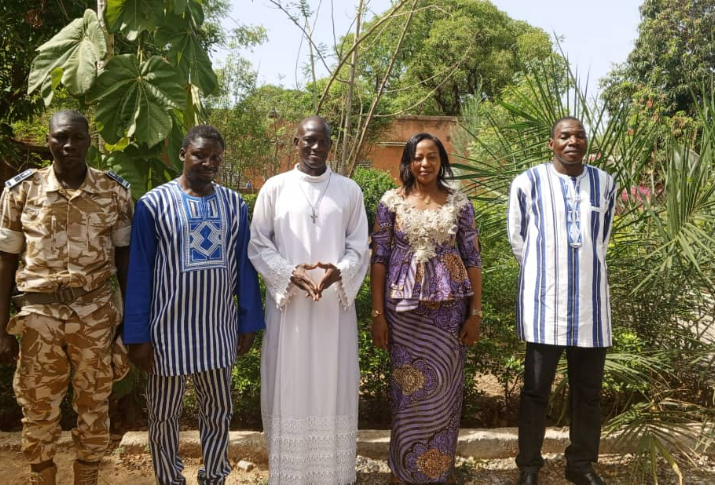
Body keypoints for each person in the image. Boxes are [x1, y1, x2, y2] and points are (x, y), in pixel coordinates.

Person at [0, 110, 133, 485]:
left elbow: (125, 258)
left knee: (94, 404)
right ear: (48, 140)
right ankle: (42, 477)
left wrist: (131, 323)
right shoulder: (22, 191)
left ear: (89, 140)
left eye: (77, 137)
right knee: (37, 406)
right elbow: (5, 261)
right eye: (60, 137)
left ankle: (87, 478)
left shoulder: (114, 192)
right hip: (39, 318)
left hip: (95, 315)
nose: (68, 145)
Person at [123, 125, 265, 485]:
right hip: (166, 332)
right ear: (183, 153)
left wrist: (248, 321)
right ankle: (169, 479)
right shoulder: (153, 204)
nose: (208, 162)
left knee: (218, 412)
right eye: (200, 154)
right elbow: (139, 271)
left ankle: (214, 476)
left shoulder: (234, 204)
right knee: (163, 415)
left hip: (217, 329)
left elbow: (244, 265)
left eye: (216, 157)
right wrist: (137, 335)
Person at [248, 116, 369, 485]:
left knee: (333, 383)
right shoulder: (275, 188)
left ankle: (332, 478)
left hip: (334, 311)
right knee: (290, 384)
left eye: (322, 141)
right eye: (308, 140)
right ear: (295, 143)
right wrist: (288, 274)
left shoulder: (349, 190)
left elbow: (359, 247)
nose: (315, 147)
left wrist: (340, 272)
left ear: (331, 144)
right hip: (290, 310)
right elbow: (258, 243)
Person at [507, 117, 616, 485]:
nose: (573, 141)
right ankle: (529, 466)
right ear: (551, 143)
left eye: (579, 136)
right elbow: (519, 239)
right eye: (565, 136)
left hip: (590, 305)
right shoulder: (528, 182)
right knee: (535, 391)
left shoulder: (604, 183)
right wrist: (546, 270)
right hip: (545, 306)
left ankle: (581, 465)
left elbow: (601, 240)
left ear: (586, 142)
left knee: (588, 393)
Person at [370, 132, 482, 484]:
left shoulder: (460, 203)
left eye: (432, 156)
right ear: (408, 161)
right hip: (402, 314)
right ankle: (403, 471)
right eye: (418, 157)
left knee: (445, 389)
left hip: (449, 313)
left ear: (441, 161)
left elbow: (473, 258)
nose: (425, 163)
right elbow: (379, 259)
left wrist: (475, 313)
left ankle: (438, 473)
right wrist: (377, 315)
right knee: (407, 389)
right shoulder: (390, 203)